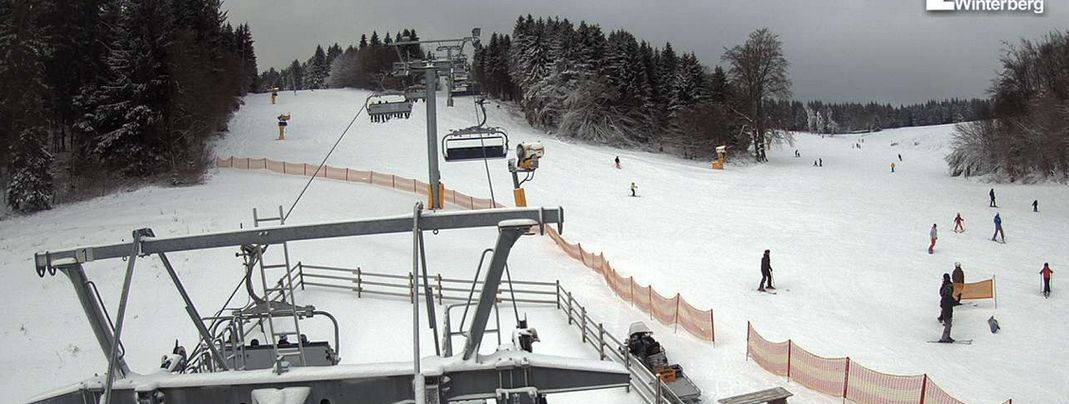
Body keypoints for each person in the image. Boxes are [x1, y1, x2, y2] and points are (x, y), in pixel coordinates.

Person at [938, 273, 956, 343]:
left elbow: (941, 305)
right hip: (948, 313)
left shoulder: (945, 297)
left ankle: (947, 336)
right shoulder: (948, 298)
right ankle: (944, 338)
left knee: (949, 325)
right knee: (948, 325)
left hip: (947, 313)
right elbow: (954, 303)